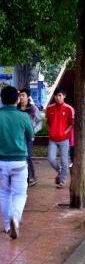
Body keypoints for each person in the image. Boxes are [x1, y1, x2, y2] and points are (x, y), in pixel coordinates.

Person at [0, 86, 34, 239]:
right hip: (19, 161)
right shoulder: (23, 116)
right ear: (17, 99)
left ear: (2, 100)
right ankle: (16, 218)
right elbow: (31, 136)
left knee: (4, 193)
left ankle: (7, 225)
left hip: (1, 162)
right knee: (20, 193)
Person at [46, 88, 74, 188]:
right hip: (52, 139)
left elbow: (72, 124)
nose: (58, 97)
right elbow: (47, 122)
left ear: (64, 96)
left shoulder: (69, 108)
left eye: (60, 95)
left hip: (64, 139)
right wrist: (50, 131)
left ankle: (62, 180)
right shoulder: (49, 108)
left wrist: (64, 132)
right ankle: (60, 171)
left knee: (64, 161)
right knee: (51, 158)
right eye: (56, 95)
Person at [17, 88, 42, 187]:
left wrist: (34, 130)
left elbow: (40, 121)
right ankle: (23, 177)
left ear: (28, 97)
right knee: (20, 156)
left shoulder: (33, 108)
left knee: (27, 156)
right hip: (17, 137)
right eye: (20, 95)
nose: (21, 97)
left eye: (23, 95)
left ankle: (31, 177)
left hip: (28, 137)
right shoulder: (16, 108)